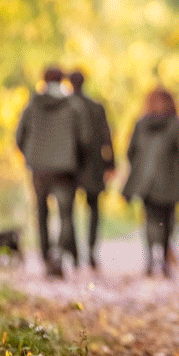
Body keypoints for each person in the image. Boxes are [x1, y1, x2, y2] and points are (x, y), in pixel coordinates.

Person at [15, 66, 91, 278]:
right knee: (66, 215)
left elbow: (19, 136)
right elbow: (84, 139)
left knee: (41, 213)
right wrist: (77, 160)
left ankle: (46, 257)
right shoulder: (73, 105)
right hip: (66, 169)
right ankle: (58, 252)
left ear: (44, 80)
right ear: (63, 80)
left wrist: (32, 157)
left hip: (39, 169)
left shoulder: (32, 105)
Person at [122, 87, 179, 278]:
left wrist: (141, 169)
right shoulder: (175, 124)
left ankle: (151, 258)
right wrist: (175, 169)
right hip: (170, 180)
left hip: (146, 182)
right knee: (168, 220)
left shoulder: (141, 124)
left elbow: (130, 152)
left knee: (150, 219)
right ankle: (164, 260)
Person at [68, 70, 115, 271]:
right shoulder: (97, 107)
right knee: (94, 209)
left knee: (67, 211)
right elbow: (107, 137)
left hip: (70, 165)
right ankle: (91, 251)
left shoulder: (66, 106)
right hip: (94, 165)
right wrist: (111, 163)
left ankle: (75, 254)